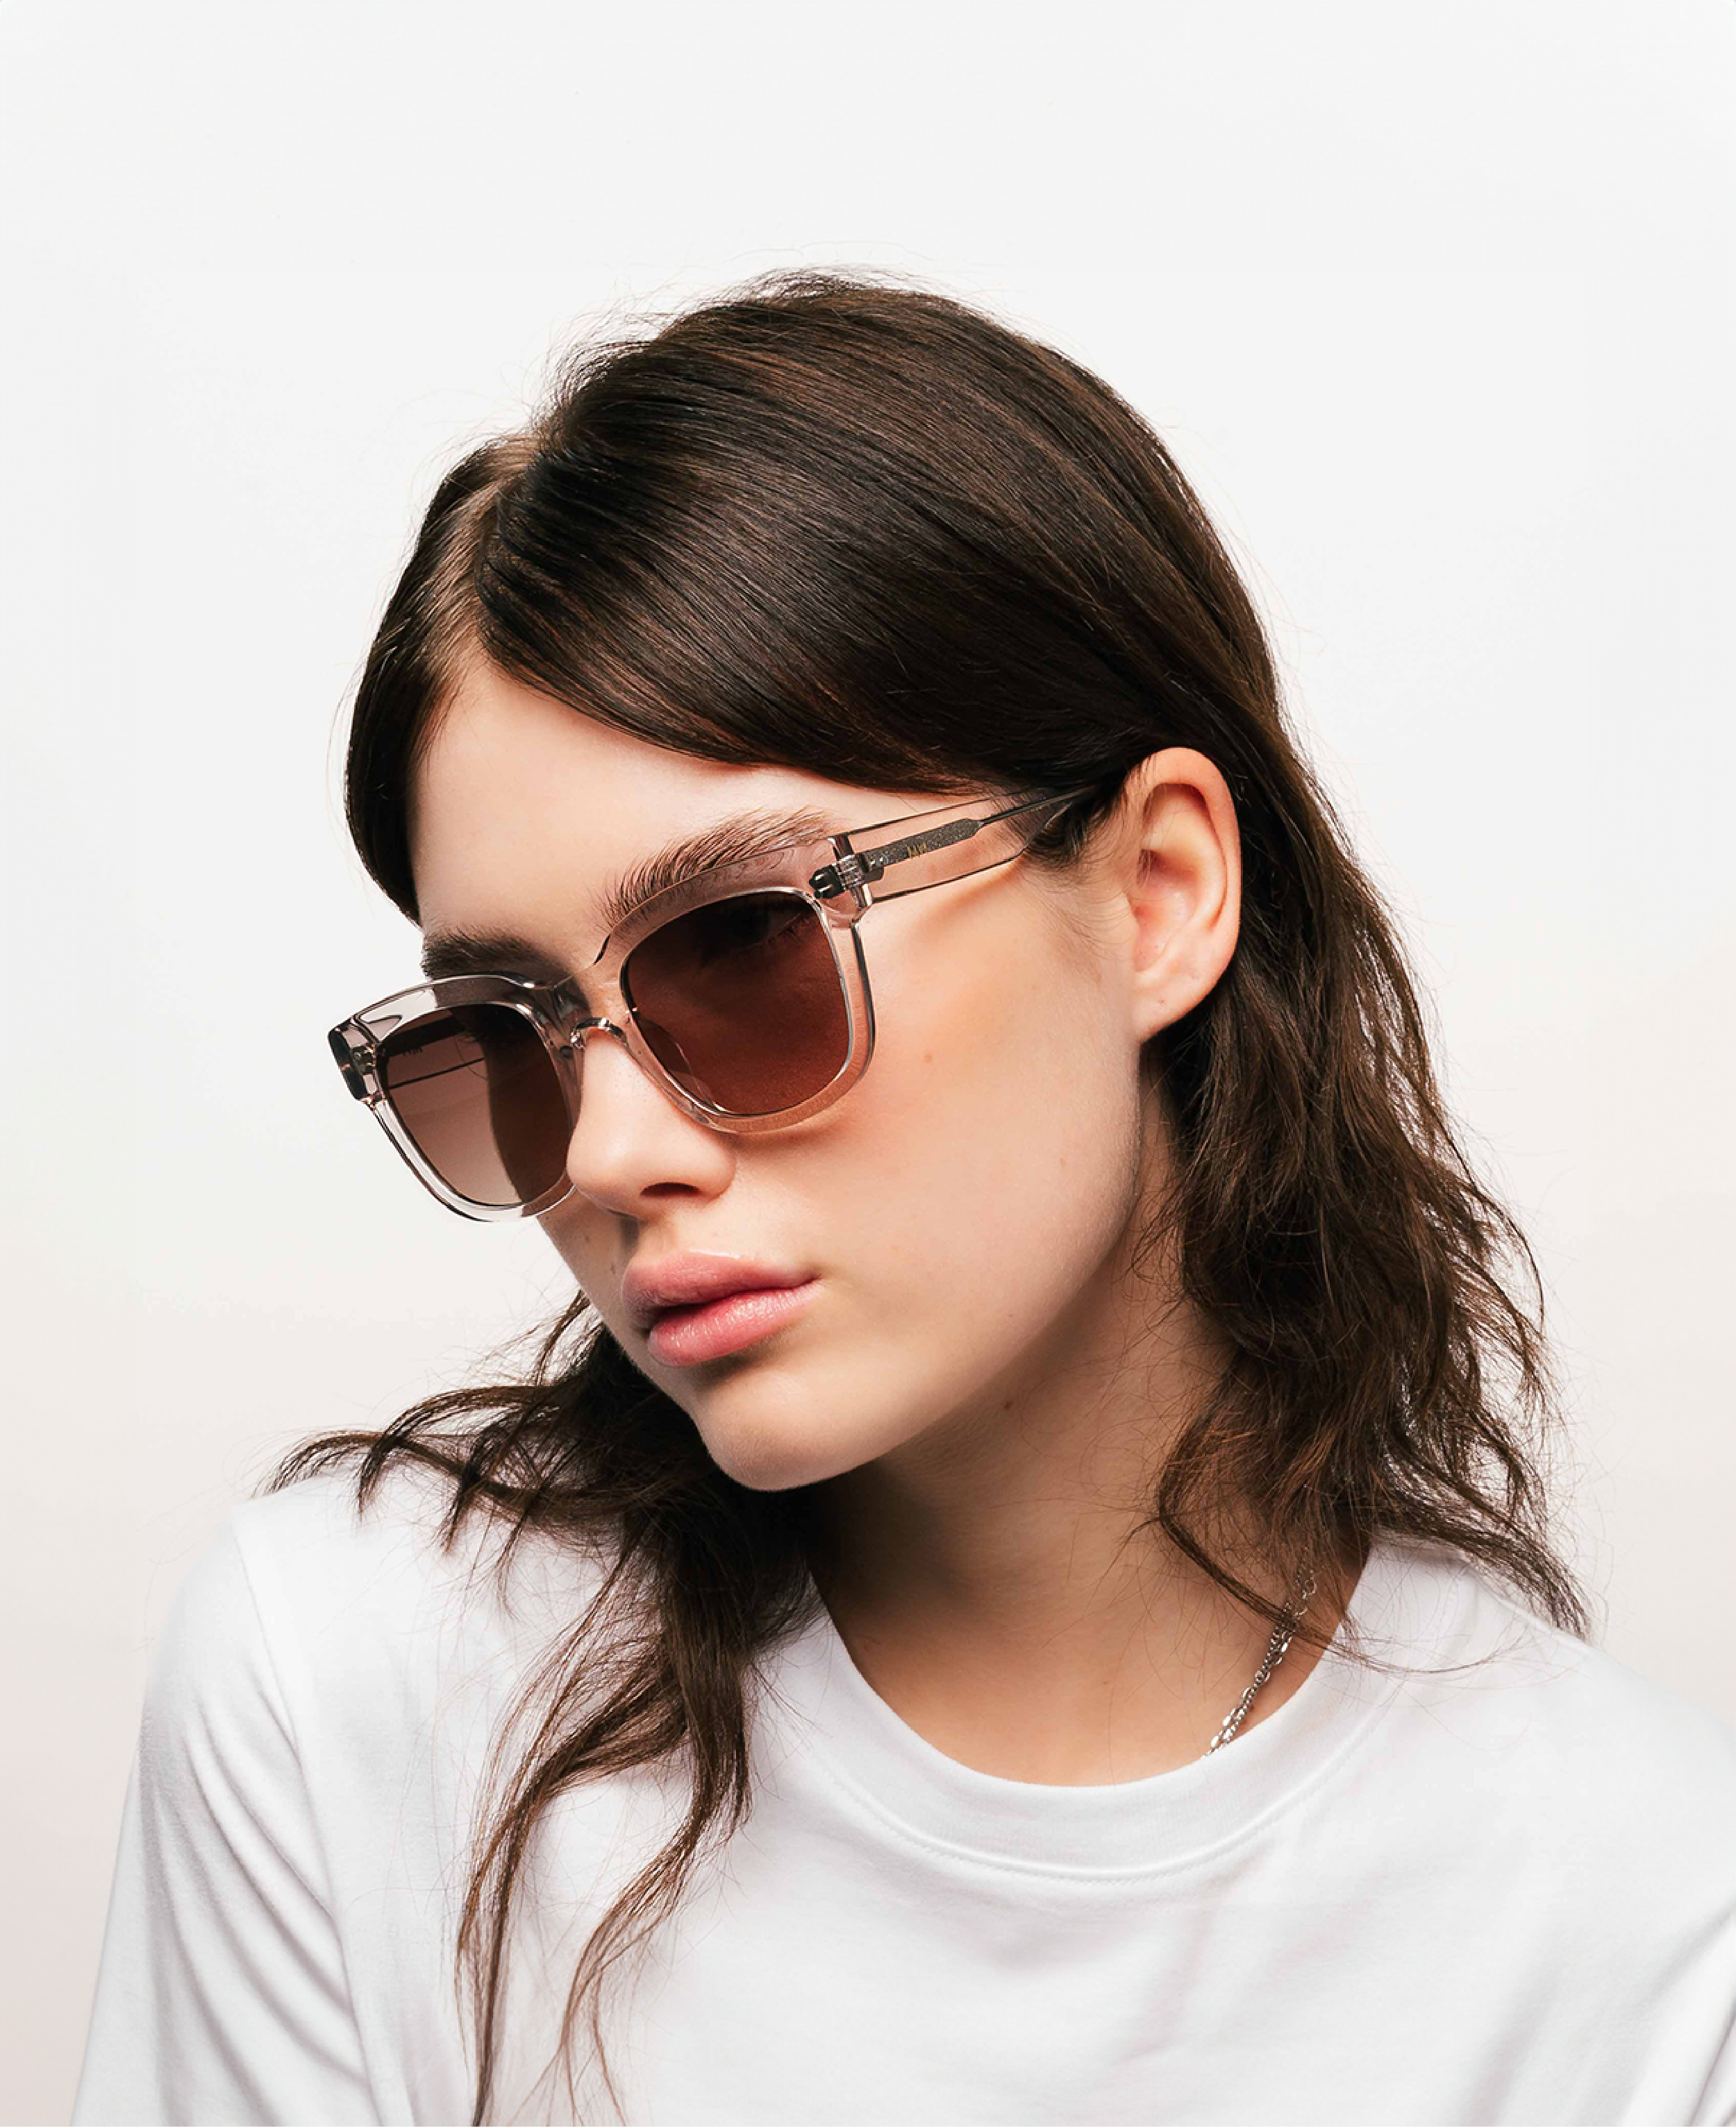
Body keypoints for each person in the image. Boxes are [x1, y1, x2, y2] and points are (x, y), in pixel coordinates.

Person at [74, 268, 1736, 2127]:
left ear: (1159, 890)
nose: (609, 1154)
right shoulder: (360, 1689)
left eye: (742, 950)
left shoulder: (1649, 1930)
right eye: (507, 1042)